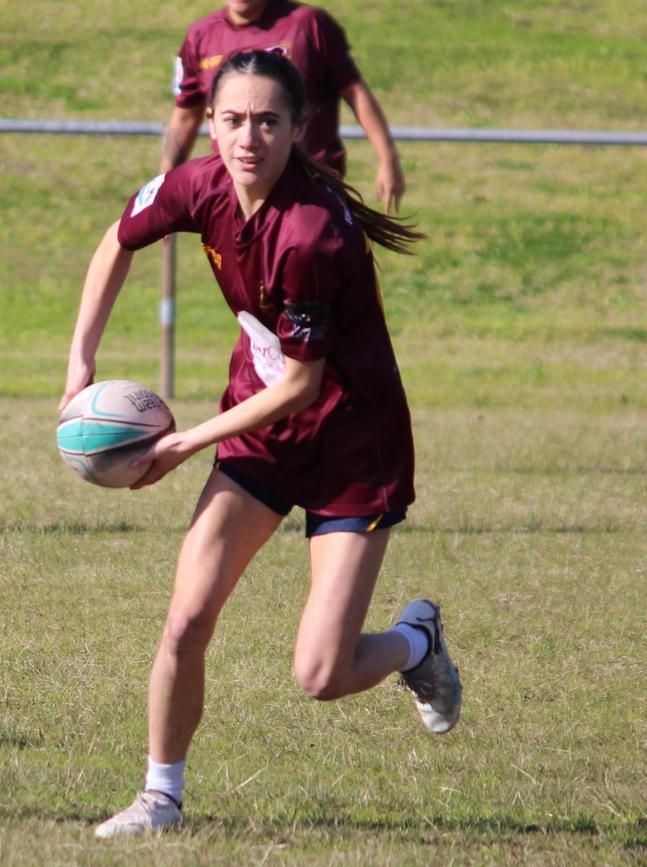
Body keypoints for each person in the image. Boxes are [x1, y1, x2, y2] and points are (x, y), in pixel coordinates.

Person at [60, 50, 461, 839]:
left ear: (296, 127)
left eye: (268, 121)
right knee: (185, 620)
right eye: (234, 119)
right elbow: (117, 240)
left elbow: (302, 387)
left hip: (353, 446)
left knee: (321, 673)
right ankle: (160, 799)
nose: (249, 137)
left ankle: (417, 640)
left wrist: (180, 446)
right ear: (212, 123)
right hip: (261, 433)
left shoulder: (309, 233)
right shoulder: (199, 183)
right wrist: (81, 361)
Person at [162, 0, 405, 212]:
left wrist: (388, 158)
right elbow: (185, 117)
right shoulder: (201, 36)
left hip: (311, 193)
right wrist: (164, 185)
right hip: (238, 197)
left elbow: (355, 91)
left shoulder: (308, 24)